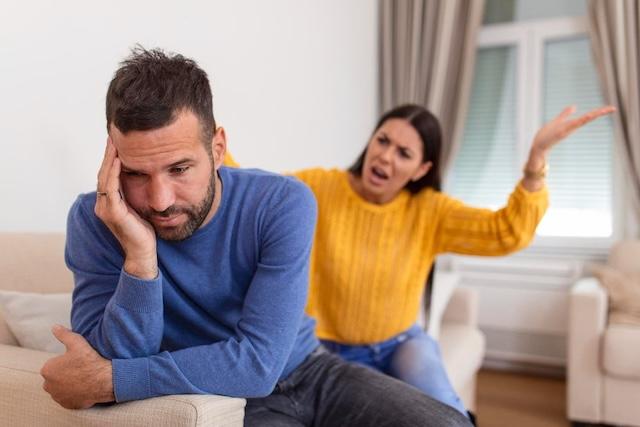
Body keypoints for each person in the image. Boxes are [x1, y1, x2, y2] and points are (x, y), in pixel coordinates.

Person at [39, 47, 473, 427]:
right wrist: (139, 259)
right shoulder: (98, 219)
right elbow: (110, 357)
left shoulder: (282, 202)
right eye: (135, 174)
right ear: (113, 160)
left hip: (309, 370)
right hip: (226, 399)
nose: (160, 200)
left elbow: (259, 364)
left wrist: (113, 381)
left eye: (179, 169)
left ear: (217, 148)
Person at [232, 102, 612, 419]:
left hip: (399, 344)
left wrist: (536, 161)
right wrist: (211, 140)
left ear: (422, 170)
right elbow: (253, 198)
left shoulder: (430, 211)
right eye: (383, 140)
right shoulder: (318, 188)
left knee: (447, 412)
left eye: (404, 153)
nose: (385, 156)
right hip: (321, 352)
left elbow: (506, 232)